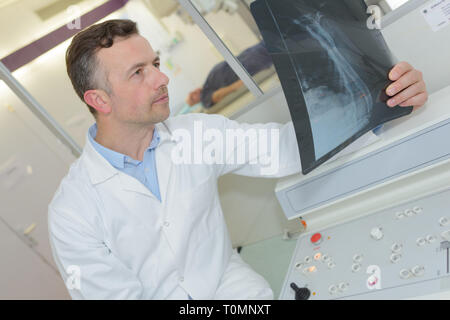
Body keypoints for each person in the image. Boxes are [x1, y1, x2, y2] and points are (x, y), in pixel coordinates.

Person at [48, 19, 428, 300]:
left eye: (156, 64)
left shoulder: (195, 135)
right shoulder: (72, 212)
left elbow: (285, 148)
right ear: (99, 100)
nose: (161, 79)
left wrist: (382, 104)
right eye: (138, 72)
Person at [186, 41, 274, 109]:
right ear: (195, 103)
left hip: (244, 57)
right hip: (248, 64)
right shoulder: (205, 99)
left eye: (191, 93)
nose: (193, 93)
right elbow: (219, 94)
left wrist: (200, 89)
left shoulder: (206, 87)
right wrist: (245, 79)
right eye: (192, 98)